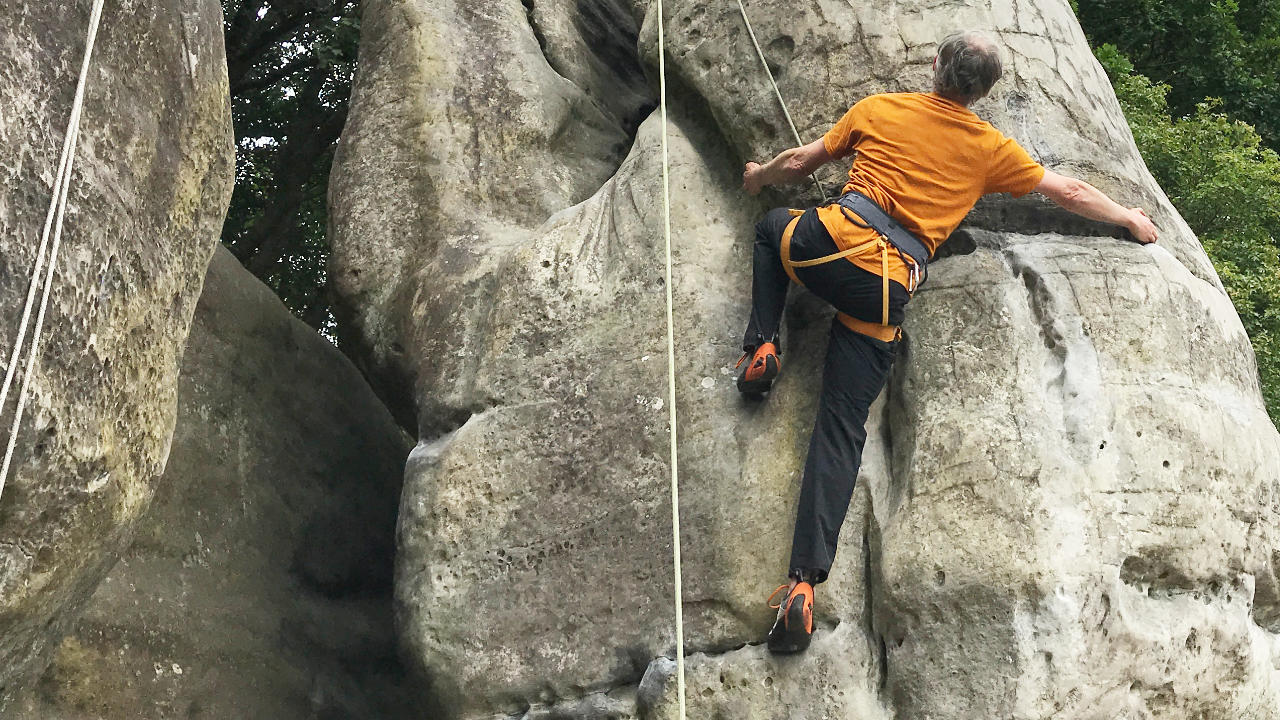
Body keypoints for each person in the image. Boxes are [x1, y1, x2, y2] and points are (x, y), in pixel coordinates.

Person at [740, 30, 1159, 654]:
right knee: (840, 427)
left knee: (772, 228)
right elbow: (1066, 191)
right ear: (983, 93)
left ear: (934, 66)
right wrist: (1129, 217)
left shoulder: (880, 108)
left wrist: (758, 175)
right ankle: (801, 585)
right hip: (880, 293)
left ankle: (761, 347)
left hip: (822, 245)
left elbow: (801, 164)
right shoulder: (990, 148)